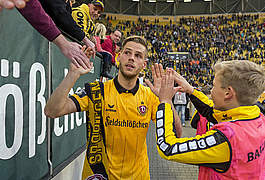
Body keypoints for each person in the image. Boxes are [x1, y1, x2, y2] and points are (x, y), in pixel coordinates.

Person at [44, 36, 182, 179]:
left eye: (138, 56)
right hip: (100, 175)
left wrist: (166, 100)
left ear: (144, 65)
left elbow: (176, 134)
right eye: (127, 53)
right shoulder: (96, 91)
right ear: (118, 56)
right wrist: (73, 74)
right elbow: (52, 110)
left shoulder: (150, 97)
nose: (131, 58)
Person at [154, 60, 265, 179]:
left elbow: (167, 147)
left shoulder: (226, 139)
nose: (211, 90)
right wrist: (190, 90)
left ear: (228, 93)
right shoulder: (259, 117)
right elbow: (212, 113)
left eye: (214, 85)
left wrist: (165, 102)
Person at [17, 0, 92, 69]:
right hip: (25, 38)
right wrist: (65, 43)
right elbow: (61, 16)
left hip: (44, 39)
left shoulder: (68, 4)